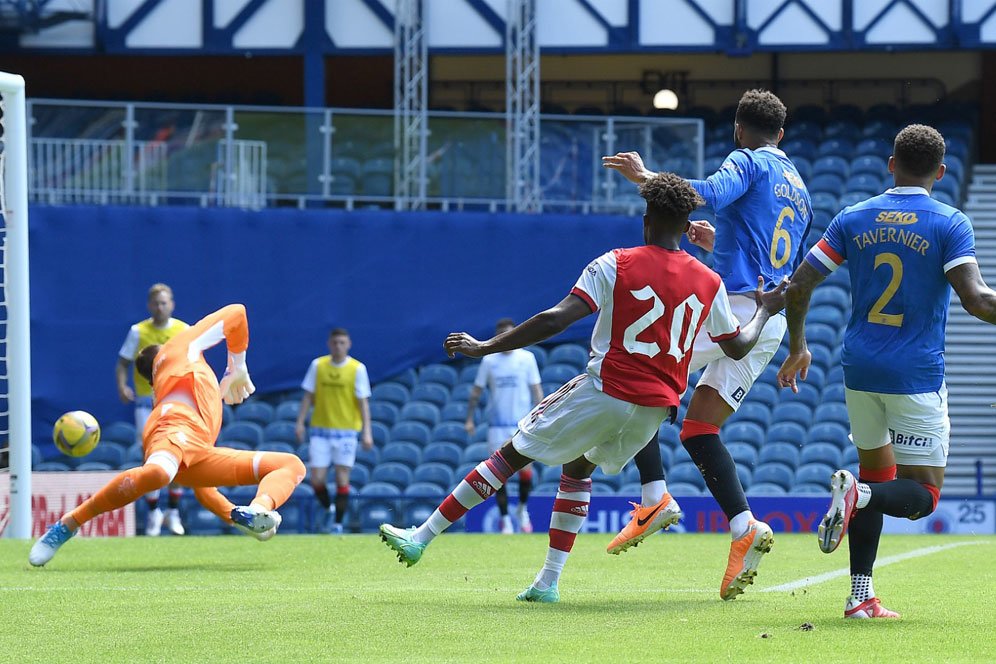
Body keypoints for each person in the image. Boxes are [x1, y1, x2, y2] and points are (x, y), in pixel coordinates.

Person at [379, 172, 787, 602]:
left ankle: (421, 537)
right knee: (577, 468)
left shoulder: (616, 262)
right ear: (688, 227)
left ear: (646, 218)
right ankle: (548, 581)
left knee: (510, 454)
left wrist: (486, 347)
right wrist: (765, 310)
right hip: (654, 413)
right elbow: (739, 347)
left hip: (606, 389)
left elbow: (556, 318)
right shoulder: (709, 281)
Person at [777, 124, 995, 618]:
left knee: (875, 472)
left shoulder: (854, 217)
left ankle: (860, 596)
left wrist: (798, 346)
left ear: (891, 163)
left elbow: (799, 284)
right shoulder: (949, 222)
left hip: (859, 367)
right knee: (923, 492)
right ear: (941, 172)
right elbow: (977, 300)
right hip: (914, 373)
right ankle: (860, 493)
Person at [601, 88, 811, 600]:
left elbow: (709, 194)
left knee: (635, 368)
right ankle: (744, 529)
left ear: (739, 129)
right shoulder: (800, 189)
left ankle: (653, 497)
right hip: (767, 323)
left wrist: (648, 178)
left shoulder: (748, 160)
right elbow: (783, 268)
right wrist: (796, 345)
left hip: (737, 310)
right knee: (698, 429)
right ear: (781, 135)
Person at [30, 304, 306, 566]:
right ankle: (69, 523)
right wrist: (237, 365)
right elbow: (237, 312)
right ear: (160, 354)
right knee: (160, 473)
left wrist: (237, 517)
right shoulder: (178, 346)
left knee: (290, 464)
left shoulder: (167, 383)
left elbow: (203, 488)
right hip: (173, 428)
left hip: (193, 451)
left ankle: (259, 509)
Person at [115, 283, 189, 537]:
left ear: (172, 304)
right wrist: (123, 386)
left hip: (176, 400)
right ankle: (153, 513)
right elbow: (122, 363)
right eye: (156, 303)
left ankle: (174, 511)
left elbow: (195, 362)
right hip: (147, 403)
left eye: (164, 302)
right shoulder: (138, 331)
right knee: (151, 456)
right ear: (149, 306)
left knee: (177, 452)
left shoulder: (183, 330)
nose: (160, 307)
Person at [465, 318, 543, 534]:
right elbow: (477, 391)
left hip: (522, 424)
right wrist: (469, 418)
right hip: (497, 425)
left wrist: (542, 415)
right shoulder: (489, 360)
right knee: (497, 474)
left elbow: (536, 389)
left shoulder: (527, 358)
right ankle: (505, 519)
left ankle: (522, 509)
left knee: (526, 471)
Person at [296, 328, 373, 535]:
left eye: (342, 342)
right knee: (317, 479)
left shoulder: (357, 369)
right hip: (320, 430)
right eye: (335, 342)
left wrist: (367, 432)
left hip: (346, 431)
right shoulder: (318, 366)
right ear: (330, 344)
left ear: (348, 344)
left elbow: (363, 402)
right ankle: (329, 507)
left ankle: (338, 524)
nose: (338, 346)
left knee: (342, 478)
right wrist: (300, 422)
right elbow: (307, 396)